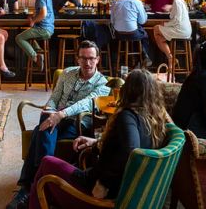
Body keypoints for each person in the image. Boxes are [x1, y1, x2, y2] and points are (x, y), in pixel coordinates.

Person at [25, 69, 168, 208]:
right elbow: (128, 146)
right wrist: (97, 142)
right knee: (45, 153)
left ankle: (29, 198)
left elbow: (130, 150)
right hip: (118, 186)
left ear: (129, 91)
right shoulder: (153, 118)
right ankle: (32, 198)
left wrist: (104, 183)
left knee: (46, 162)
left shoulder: (128, 116)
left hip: (96, 191)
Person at [7, 40, 110, 209]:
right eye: (83, 58)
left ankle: (27, 186)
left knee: (39, 133)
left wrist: (60, 114)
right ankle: (39, 183)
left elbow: (85, 104)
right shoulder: (68, 73)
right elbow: (54, 98)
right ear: (77, 59)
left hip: (76, 122)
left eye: (91, 58)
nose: (87, 62)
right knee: (45, 121)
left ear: (98, 59)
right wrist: (51, 110)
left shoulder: (102, 84)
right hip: (56, 115)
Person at [153, 0, 192, 71]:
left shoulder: (177, 2)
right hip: (185, 29)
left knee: (156, 29)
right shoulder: (180, 1)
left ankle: (170, 59)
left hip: (180, 30)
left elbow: (176, 20)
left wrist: (165, 24)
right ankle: (171, 59)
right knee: (159, 37)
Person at [110, 0, 152, 67]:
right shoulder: (137, 3)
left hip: (118, 35)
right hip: (133, 34)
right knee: (144, 35)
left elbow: (112, 21)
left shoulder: (116, 3)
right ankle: (144, 57)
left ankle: (125, 63)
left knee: (137, 31)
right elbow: (143, 21)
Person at [16, 0, 54, 68]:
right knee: (28, 36)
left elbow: (44, 13)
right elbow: (43, 11)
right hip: (49, 28)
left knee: (19, 38)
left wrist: (33, 20)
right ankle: (39, 53)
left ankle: (36, 57)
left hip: (43, 29)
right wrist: (34, 16)